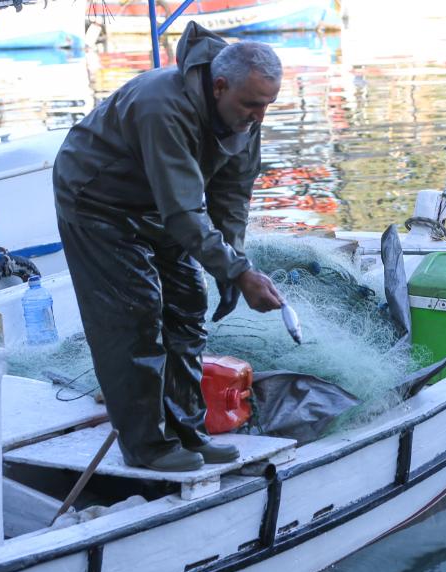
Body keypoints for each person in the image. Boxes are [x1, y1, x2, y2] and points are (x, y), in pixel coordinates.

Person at [52, 24, 283, 472]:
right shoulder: (163, 104)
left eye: (268, 105)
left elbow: (232, 199)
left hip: (157, 204)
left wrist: (230, 264)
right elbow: (183, 213)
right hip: (96, 200)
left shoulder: (244, 114)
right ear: (219, 86)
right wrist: (238, 272)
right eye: (253, 105)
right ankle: (146, 446)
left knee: (188, 306)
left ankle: (186, 432)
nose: (260, 117)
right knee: (135, 314)